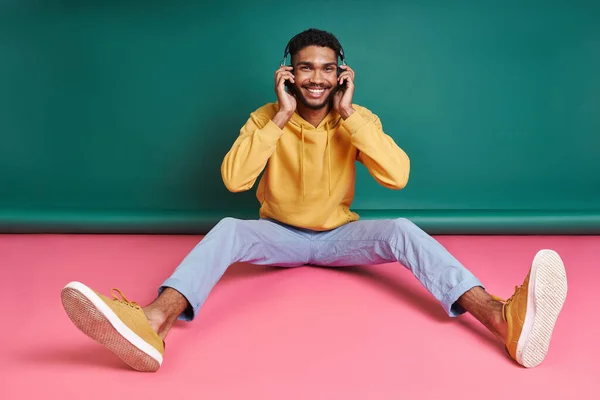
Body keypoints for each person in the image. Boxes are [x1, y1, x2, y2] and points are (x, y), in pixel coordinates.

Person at [60, 28, 568, 373]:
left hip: (341, 237)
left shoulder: (355, 117)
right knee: (228, 228)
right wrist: (278, 118)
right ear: (288, 74)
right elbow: (235, 180)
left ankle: (503, 318)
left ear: (342, 72)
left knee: (403, 229)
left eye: (327, 69)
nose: (317, 79)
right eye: (305, 69)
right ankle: (153, 323)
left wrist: (350, 116)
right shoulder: (267, 116)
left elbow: (399, 175)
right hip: (277, 235)